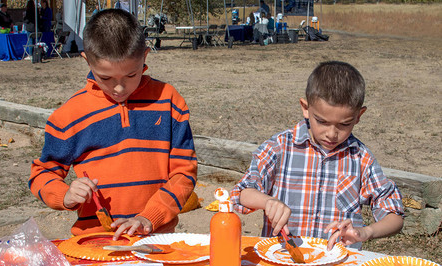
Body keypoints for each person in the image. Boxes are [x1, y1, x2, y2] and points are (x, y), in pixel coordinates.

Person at [28, 9, 197, 240]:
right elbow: (42, 174)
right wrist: (65, 194)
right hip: (96, 242)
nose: (119, 88)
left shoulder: (168, 101)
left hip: (157, 238)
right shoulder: (69, 115)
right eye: (106, 78)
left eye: (131, 74)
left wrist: (150, 217)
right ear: (87, 60)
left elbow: (183, 173)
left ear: (145, 56)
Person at [231, 61, 404, 250]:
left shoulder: (361, 158)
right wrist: (268, 201)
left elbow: (394, 215)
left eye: (344, 124)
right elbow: (242, 193)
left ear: (358, 116)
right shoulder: (280, 147)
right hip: (282, 259)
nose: (331, 133)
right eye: (321, 121)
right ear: (305, 108)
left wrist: (366, 232)